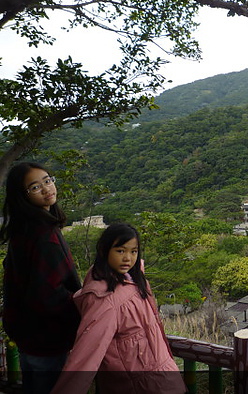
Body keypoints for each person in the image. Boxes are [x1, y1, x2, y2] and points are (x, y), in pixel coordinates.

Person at [51, 223, 186, 394]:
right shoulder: (106, 299)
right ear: (104, 250)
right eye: (120, 251)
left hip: (161, 373)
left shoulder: (135, 279)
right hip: (139, 383)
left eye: (133, 251)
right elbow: (86, 354)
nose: (128, 258)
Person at [1, 162, 82, 394]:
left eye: (48, 180)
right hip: (48, 338)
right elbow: (47, 296)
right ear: (22, 196)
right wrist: (84, 304)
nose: (47, 189)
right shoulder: (44, 236)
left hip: (28, 335)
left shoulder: (23, 229)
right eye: (35, 187)